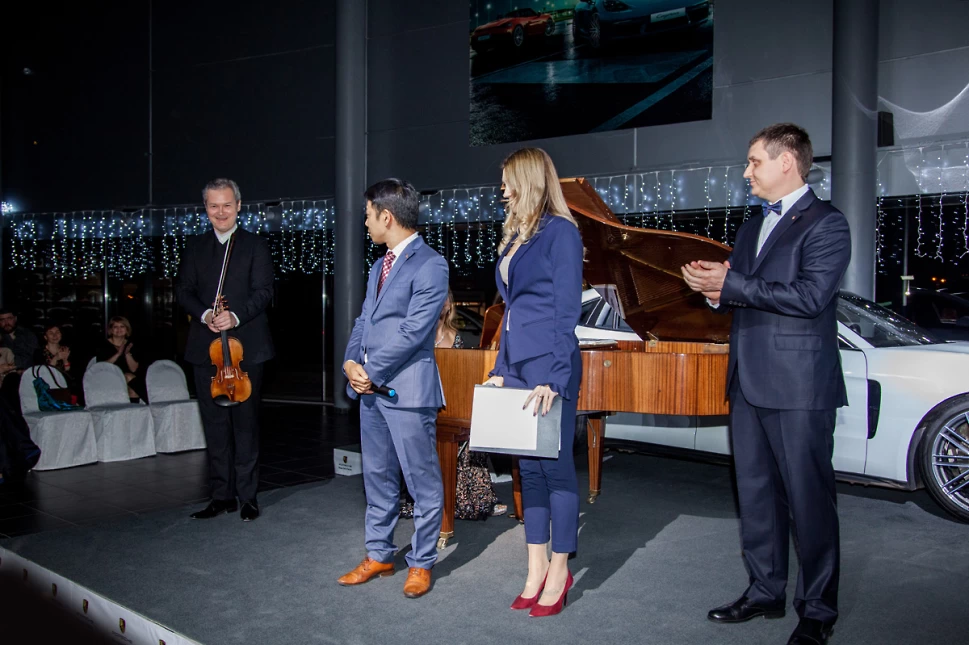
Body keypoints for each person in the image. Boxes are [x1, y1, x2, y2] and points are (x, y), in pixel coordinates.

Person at [681, 123, 851, 645]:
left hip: (800, 388)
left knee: (809, 502)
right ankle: (764, 591)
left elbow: (810, 297)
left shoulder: (827, 223)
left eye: (754, 161)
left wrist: (732, 283)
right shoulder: (752, 225)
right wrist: (715, 290)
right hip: (748, 381)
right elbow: (746, 293)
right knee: (755, 496)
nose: (747, 172)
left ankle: (817, 611)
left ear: (787, 162)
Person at [484, 147, 583, 618]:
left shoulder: (561, 232)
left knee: (556, 470)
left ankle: (559, 570)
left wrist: (554, 379)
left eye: (507, 181)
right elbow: (512, 313)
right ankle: (534, 567)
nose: (502, 190)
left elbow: (566, 312)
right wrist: (501, 369)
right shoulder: (515, 237)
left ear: (527, 180)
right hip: (519, 367)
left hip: (550, 365)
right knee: (529, 470)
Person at [339, 178, 449, 600]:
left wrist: (370, 371)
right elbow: (364, 322)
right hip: (370, 390)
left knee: (422, 482)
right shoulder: (378, 266)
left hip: (407, 392)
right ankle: (379, 554)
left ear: (387, 217)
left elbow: (413, 332)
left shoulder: (431, 265)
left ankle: (421, 562)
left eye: (368, 215)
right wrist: (351, 363)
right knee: (378, 478)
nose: (365, 223)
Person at [176, 178, 275, 523]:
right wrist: (206, 315)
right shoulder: (194, 246)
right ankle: (221, 496)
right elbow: (183, 290)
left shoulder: (254, 245)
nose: (221, 212)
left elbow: (264, 292)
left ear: (239, 206)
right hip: (205, 351)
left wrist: (234, 316)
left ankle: (248, 497)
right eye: (214, 206)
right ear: (206, 208)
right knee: (215, 426)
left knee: (245, 426)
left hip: (247, 350)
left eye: (227, 205)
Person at [399, 290, 507, 520]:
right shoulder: (417, 335)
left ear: (450, 305)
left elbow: (460, 375)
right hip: (422, 402)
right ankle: (434, 500)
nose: (441, 303)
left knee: (472, 429)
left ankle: (474, 497)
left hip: (450, 402)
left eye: (445, 299)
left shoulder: (457, 337)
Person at [96, 317, 149, 403]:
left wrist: (127, 354)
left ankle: (134, 409)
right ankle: (150, 400)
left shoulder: (130, 345)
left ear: (127, 329)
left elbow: (134, 369)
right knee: (129, 377)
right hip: (109, 375)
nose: (119, 329)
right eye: (115, 327)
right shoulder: (103, 344)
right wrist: (118, 354)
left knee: (133, 388)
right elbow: (101, 366)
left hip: (129, 378)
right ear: (111, 330)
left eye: (122, 326)